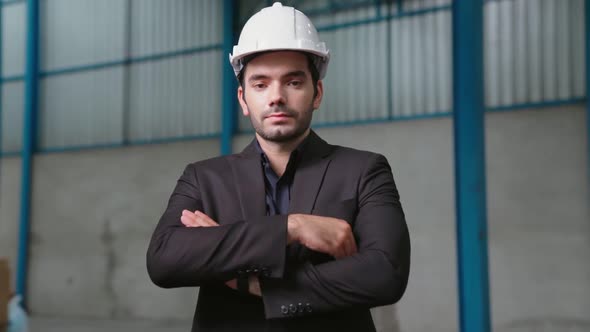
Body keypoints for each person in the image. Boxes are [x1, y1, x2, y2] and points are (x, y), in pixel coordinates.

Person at [146, 2, 410, 331]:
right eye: (261, 84)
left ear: (317, 93)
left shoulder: (364, 170)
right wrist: (292, 228)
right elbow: (164, 260)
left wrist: (254, 282)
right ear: (243, 99)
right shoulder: (203, 178)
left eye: (293, 82)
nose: (276, 97)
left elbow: (385, 274)